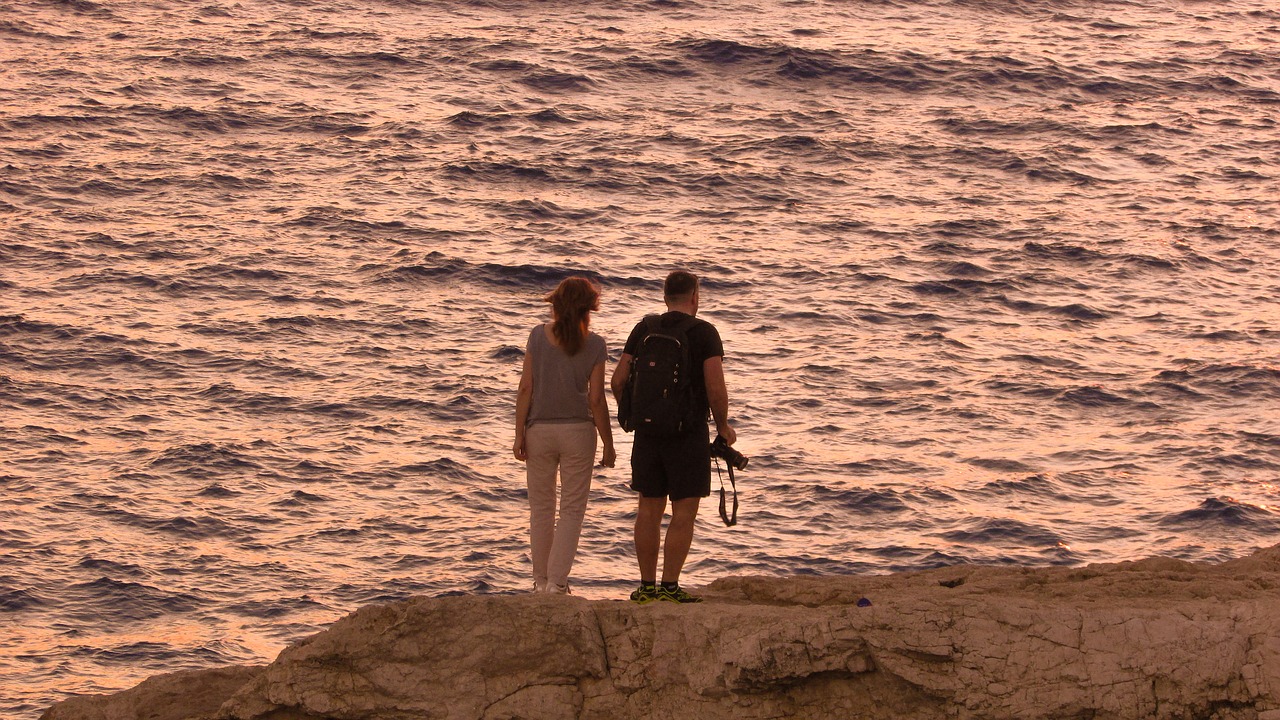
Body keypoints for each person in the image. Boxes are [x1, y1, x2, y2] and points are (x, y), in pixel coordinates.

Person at [611, 270, 736, 604]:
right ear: (695, 296)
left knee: (648, 510)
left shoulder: (644, 328)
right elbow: (715, 388)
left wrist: (630, 416)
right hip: (687, 434)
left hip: (647, 434)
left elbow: (618, 380)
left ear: (665, 297)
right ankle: (670, 587)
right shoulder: (704, 332)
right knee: (684, 512)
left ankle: (646, 587)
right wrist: (723, 427)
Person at [514, 277, 616, 594]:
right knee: (571, 510)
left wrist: (519, 434)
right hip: (578, 434)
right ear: (589, 309)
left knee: (541, 509)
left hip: (539, 430)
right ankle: (557, 584)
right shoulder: (596, 345)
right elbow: (596, 399)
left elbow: (526, 388)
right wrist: (609, 444)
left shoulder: (537, 336)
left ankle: (540, 582)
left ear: (555, 305)